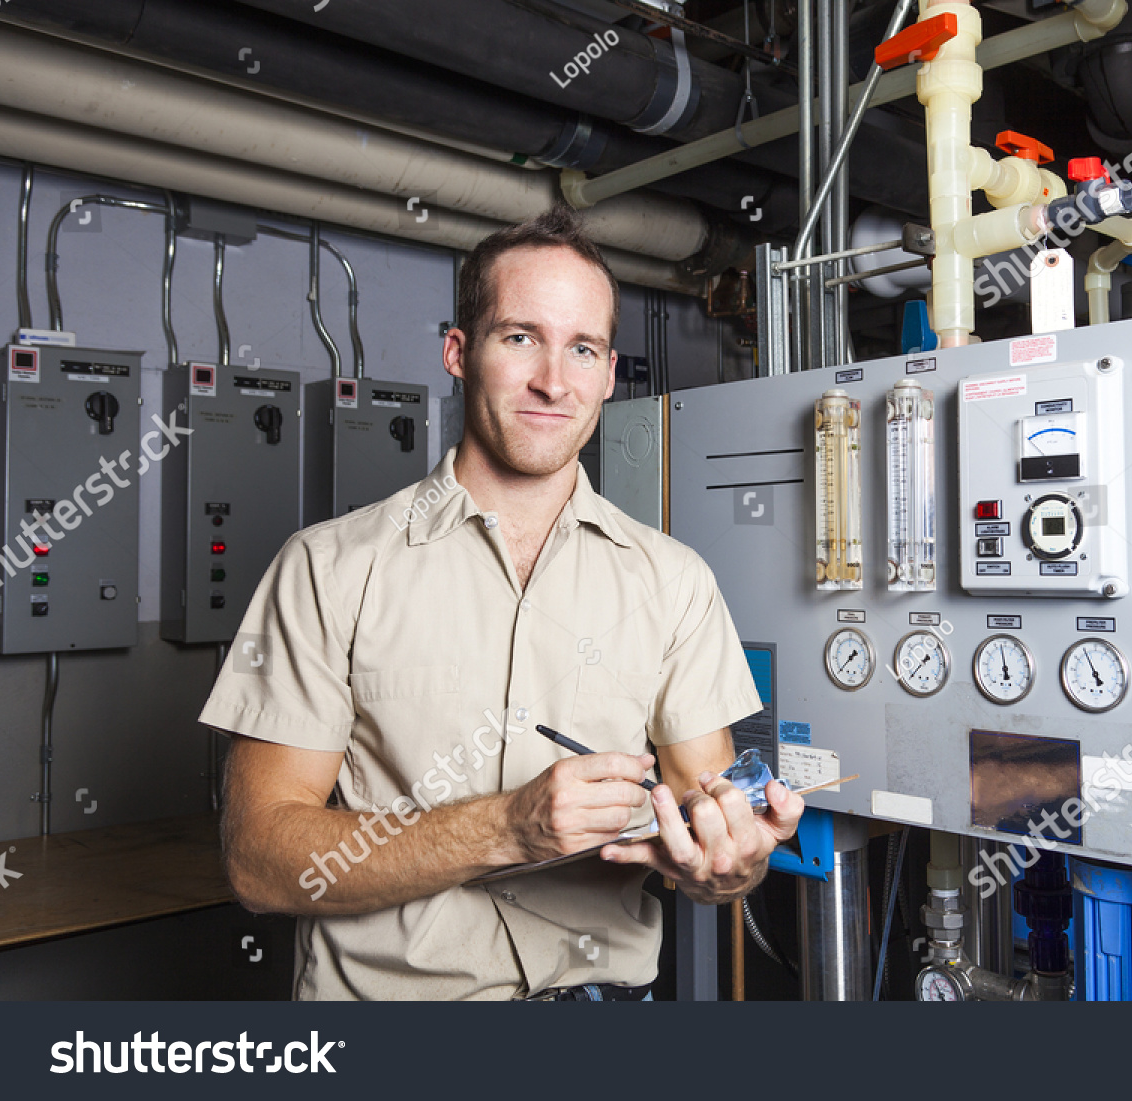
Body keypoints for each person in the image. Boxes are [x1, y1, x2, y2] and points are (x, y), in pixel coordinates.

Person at [204, 205, 803, 1001]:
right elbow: (259, 859)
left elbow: (720, 853)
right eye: (520, 337)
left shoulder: (674, 582)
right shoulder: (328, 569)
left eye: (581, 348)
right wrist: (505, 827)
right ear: (459, 352)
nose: (554, 380)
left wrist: (731, 863)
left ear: (609, 372)